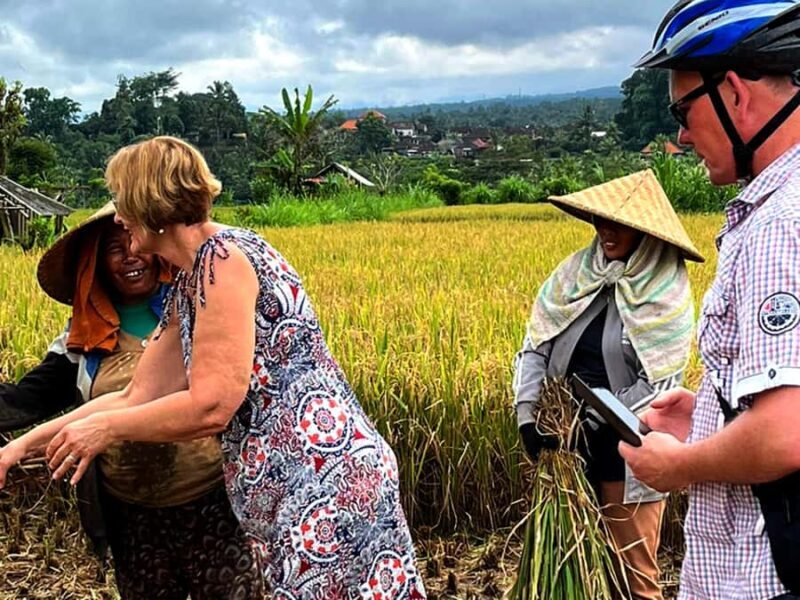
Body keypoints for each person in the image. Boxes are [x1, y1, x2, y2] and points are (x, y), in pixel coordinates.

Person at [0, 137, 426, 599]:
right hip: (291, 491)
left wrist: (106, 430)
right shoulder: (193, 278)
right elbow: (135, 395)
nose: (119, 218)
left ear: (150, 202)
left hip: (323, 483)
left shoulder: (223, 261)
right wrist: (17, 448)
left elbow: (211, 406)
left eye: (122, 202)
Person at [618, 2, 800, 599]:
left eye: (683, 110)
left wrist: (679, 465)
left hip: (766, 576)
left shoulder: (781, 223)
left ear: (736, 94)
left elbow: (786, 432)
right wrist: (710, 417)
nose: (681, 135)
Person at [0, 202, 262, 599]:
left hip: (213, 499)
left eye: (134, 241)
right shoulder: (82, 339)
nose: (130, 256)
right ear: (95, 264)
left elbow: (225, 397)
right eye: (113, 249)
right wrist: (16, 448)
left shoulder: (198, 306)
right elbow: (26, 399)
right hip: (131, 511)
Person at [513, 169, 704, 600]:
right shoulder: (575, 276)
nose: (606, 231)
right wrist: (528, 417)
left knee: (631, 575)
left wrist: (595, 420)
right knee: (570, 567)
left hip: (629, 451)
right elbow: (535, 346)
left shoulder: (664, 294)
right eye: (601, 221)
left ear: (646, 233)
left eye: (619, 224)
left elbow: (659, 383)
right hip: (564, 448)